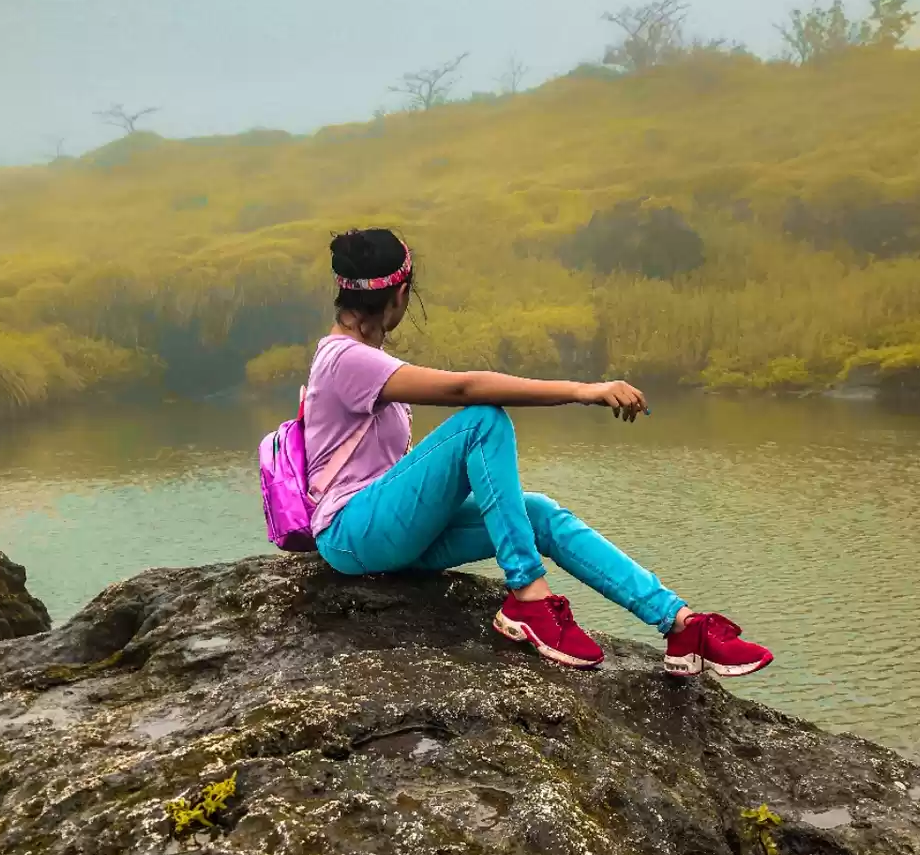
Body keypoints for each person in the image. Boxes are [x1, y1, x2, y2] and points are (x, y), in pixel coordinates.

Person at [304, 227, 772, 676]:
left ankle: (681, 625)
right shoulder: (346, 358)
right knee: (482, 420)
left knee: (540, 515)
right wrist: (584, 390)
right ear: (401, 294)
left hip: (394, 535)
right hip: (354, 533)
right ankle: (529, 596)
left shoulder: (358, 360)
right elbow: (467, 387)